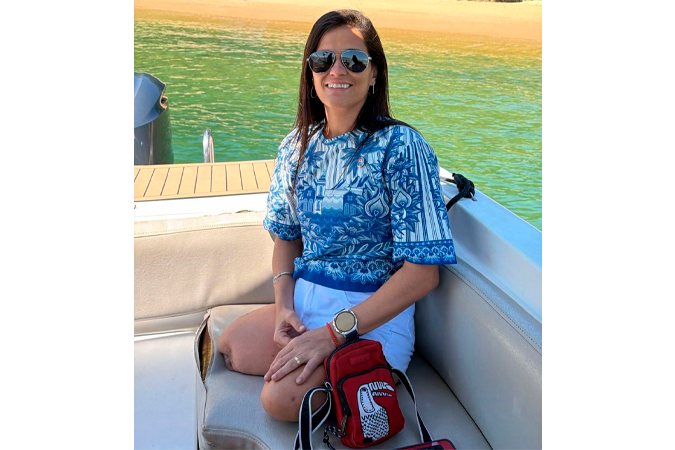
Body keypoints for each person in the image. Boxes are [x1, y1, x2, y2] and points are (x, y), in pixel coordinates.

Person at [218, 9, 457, 423]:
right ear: (310, 71)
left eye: (354, 60)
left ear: (374, 72)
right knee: (231, 347)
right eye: (323, 59)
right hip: (308, 300)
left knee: (279, 401)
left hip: (371, 315)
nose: (337, 70)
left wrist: (332, 334)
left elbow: (423, 275)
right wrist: (284, 307)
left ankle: (370, 373)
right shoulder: (296, 145)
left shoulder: (402, 146)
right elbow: (286, 238)